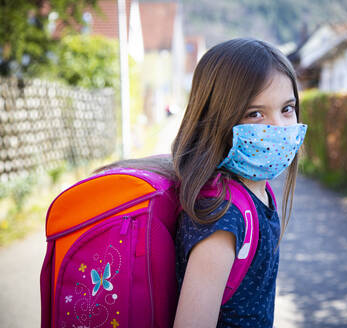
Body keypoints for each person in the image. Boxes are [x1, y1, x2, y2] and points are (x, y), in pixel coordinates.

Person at [95, 37, 307, 327]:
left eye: (287, 108)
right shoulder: (222, 216)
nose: (280, 126)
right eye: (255, 114)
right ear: (217, 118)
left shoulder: (258, 190)